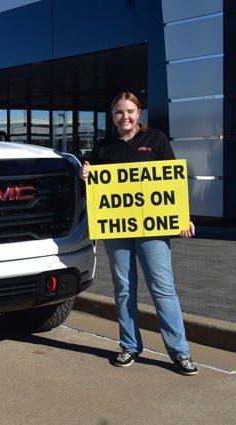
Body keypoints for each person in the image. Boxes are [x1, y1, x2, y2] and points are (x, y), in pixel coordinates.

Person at [79, 92, 198, 375]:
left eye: (130, 111)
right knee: (124, 288)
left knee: (163, 289)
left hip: (153, 229)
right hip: (117, 230)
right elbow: (96, 192)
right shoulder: (103, 146)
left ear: (139, 113)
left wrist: (183, 217)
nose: (125, 117)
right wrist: (86, 176)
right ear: (112, 116)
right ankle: (129, 345)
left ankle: (180, 352)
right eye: (119, 112)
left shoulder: (156, 140)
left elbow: (172, 182)